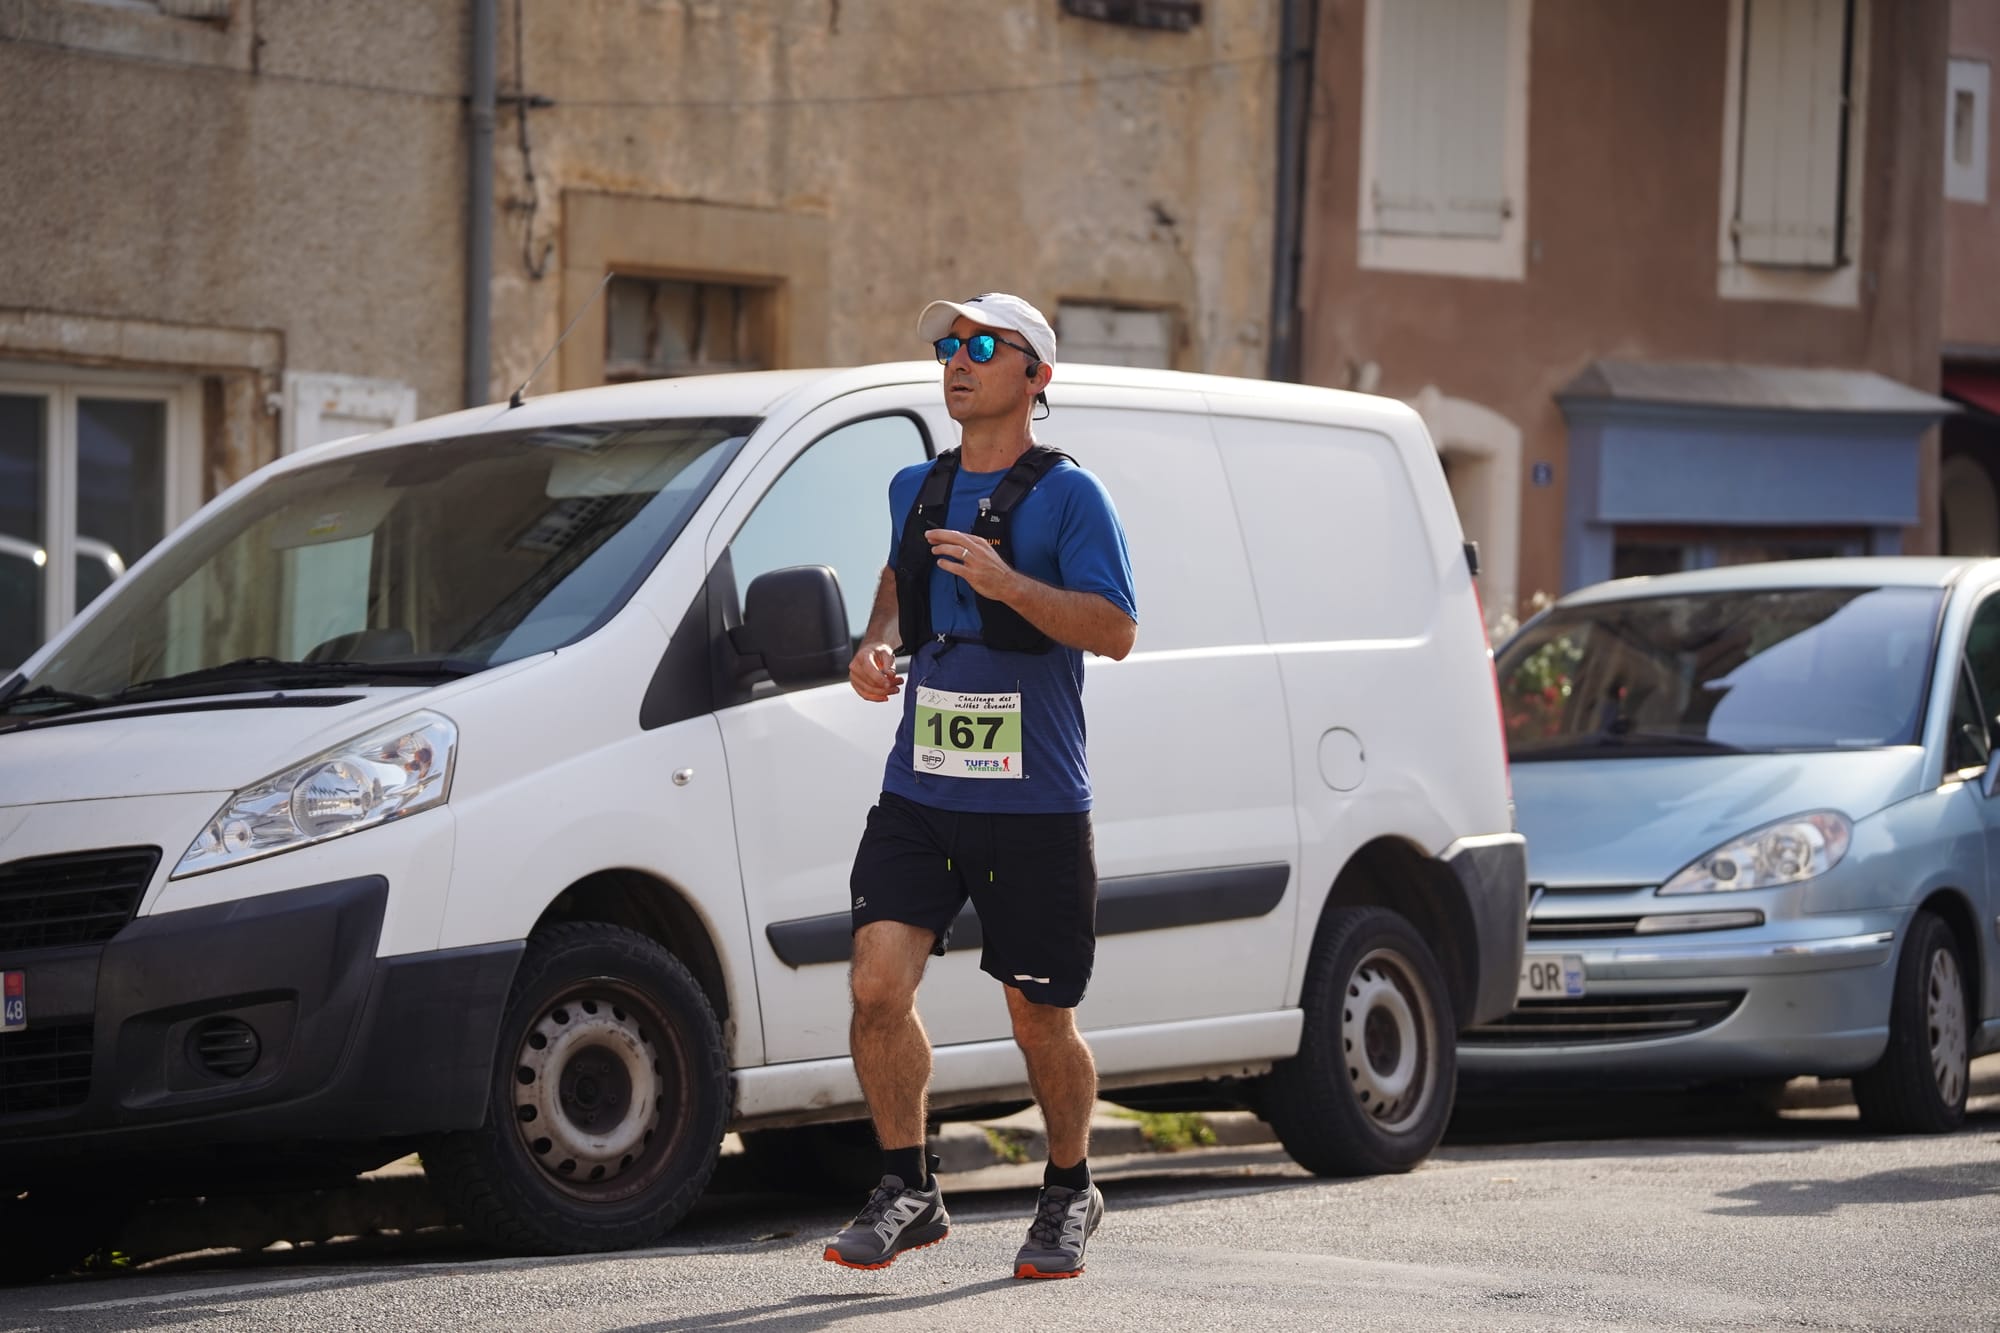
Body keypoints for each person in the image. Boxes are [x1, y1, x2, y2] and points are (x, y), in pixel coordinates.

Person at [823, 293, 1137, 1280]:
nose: (957, 359)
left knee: (1037, 1017)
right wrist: (875, 645)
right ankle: (907, 1185)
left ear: (1035, 375)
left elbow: (1115, 628)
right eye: (948, 345)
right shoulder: (914, 486)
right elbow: (896, 581)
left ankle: (1069, 1185)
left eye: (983, 345)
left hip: (1034, 800)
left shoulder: (1071, 497)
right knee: (876, 984)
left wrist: (1008, 586)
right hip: (921, 790)